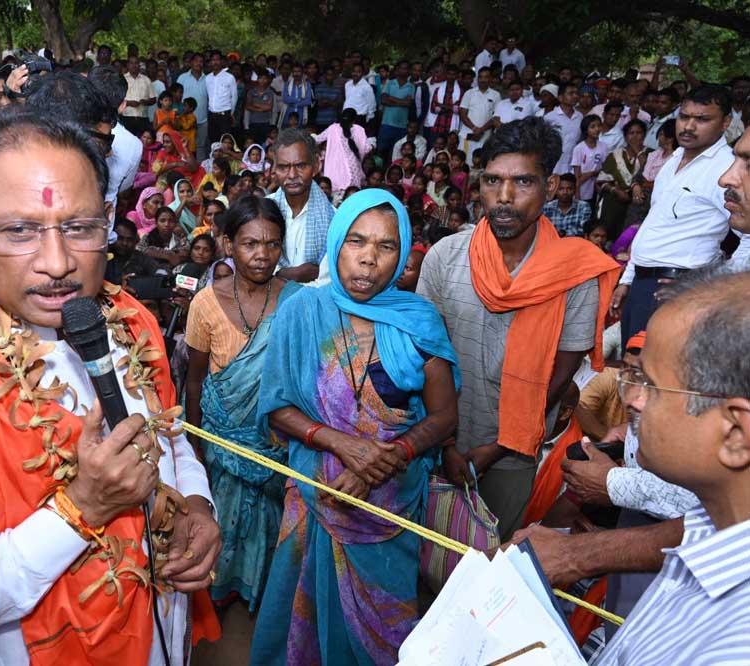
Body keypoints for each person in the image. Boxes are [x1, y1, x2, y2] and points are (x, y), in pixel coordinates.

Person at [0, 110, 221, 665]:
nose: (57, 264)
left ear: (108, 221)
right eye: (19, 231)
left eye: (79, 228)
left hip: (158, 631)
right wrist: (81, 510)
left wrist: (198, 505)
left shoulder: (130, 322)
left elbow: (169, 439)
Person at [251, 189, 460, 665]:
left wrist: (390, 458)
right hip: (315, 497)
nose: (368, 259)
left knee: (384, 634)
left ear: (402, 254)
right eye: (356, 241)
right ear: (336, 244)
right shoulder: (302, 312)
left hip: (389, 508)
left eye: (386, 246)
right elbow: (278, 407)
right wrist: (345, 445)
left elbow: (444, 416)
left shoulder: (419, 322)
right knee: (302, 619)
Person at [417, 117, 620, 539]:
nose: (505, 197)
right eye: (493, 181)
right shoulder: (445, 257)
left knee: (487, 560)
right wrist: (446, 442)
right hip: (434, 442)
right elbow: (426, 357)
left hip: (511, 454)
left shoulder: (575, 273)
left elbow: (559, 377)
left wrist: (495, 450)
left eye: (523, 182)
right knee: (425, 554)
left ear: (549, 186)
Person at [585, 269, 750, 665]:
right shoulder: (707, 535)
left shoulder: (733, 650)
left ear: (735, 433)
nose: (633, 400)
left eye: (651, 384)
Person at [184, 196, 300, 612]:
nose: (262, 255)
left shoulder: (298, 302)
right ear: (228, 245)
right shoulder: (205, 303)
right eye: (250, 244)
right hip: (222, 442)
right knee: (220, 526)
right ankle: (217, 594)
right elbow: (195, 379)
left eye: (272, 243)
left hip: (275, 443)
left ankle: (259, 595)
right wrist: (194, 446)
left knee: (268, 527)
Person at [612, 86, 734, 340]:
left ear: (725, 122)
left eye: (702, 119)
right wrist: (628, 279)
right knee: (633, 362)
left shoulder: (727, 169)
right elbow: (654, 222)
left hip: (681, 289)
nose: (688, 126)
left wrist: (711, 281)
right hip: (642, 283)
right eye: (684, 117)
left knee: (662, 366)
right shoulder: (674, 159)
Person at [268, 128, 335, 283]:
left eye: (300, 165)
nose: (292, 175)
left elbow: (327, 280)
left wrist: (281, 277)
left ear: (316, 166)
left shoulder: (334, 219)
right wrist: (291, 275)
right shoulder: (263, 211)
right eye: (283, 167)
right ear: (274, 169)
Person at [80, 65, 144, 218]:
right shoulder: (134, 145)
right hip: (103, 223)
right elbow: (124, 187)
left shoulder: (65, 129)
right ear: (122, 105)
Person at [597, 118, 649, 242]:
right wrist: (615, 190)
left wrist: (638, 151)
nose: (635, 136)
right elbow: (601, 182)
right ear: (625, 136)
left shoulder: (652, 154)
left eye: (638, 133)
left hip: (640, 199)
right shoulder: (615, 155)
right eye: (631, 133)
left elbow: (648, 172)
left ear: (644, 135)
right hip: (617, 199)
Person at [314, 108, 370, 196]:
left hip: (336, 171)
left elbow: (317, 140)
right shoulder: (359, 130)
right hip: (354, 171)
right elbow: (366, 149)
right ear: (354, 120)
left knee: (335, 196)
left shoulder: (333, 128)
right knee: (353, 196)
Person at [459, 67, 501, 166]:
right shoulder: (469, 93)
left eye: (486, 77)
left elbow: (496, 117)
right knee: (464, 163)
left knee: (481, 164)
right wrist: (474, 128)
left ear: (490, 79)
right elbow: (463, 114)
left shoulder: (496, 95)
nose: (483, 80)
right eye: (480, 77)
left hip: (485, 136)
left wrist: (481, 130)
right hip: (468, 134)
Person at [104, 218, 159, 286]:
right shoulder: (103, 257)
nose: (125, 243)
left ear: (135, 240)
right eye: (120, 238)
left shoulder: (141, 258)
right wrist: (119, 284)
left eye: (129, 239)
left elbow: (159, 270)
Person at [379, 61, 415, 161]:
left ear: (409, 71)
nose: (403, 70)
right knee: (382, 151)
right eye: (401, 68)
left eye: (406, 68)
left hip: (401, 126)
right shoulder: (390, 83)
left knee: (396, 154)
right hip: (387, 123)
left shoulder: (411, 86)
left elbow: (408, 104)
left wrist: (391, 98)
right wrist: (401, 102)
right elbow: (383, 100)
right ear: (397, 70)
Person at [177, 53, 210, 160]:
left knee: (200, 146)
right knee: (184, 145)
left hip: (202, 120)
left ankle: (200, 168)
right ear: (191, 62)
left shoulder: (208, 79)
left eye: (201, 61)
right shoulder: (182, 78)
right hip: (185, 121)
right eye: (196, 61)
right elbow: (177, 97)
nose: (198, 63)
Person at [571, 114, 611, 204]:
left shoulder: (603, 146)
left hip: (597, 188)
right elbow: (577, 176)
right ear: (586, 130)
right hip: (582, 190)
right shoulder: (579, 148)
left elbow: (605, 168)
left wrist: (593, 173)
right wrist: (577, 193)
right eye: (592, 127)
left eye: (598, 126)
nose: (597, 129)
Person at [545, 82, 583, 175]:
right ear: (560, 98)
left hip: (572, 166)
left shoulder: (580, 117)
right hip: (553, 165)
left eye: (576, 93)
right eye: (571, 93)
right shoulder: (550, 117)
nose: (575, 96)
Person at [542, 173, 592, 237]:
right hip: (552, 242)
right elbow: (543, 229)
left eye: (569, 189)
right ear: (555, 190)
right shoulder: (547, 208)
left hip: (575, 242)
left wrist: (560, 234)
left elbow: (583, 229)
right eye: (561, 189)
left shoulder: (583, 207)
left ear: (574, 190)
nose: (565, 192)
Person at [205, 50, 238, 145]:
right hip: (212, 114)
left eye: (217, 60)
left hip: (225, 115)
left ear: (221, 61)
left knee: (225, 142)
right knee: (214, 142)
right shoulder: (207, 78)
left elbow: (234, 97)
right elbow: (208, 95)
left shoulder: (229, 77)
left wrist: (230, 113)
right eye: (213, 60)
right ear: (210, 62)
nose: (215, 62)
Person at [426, 64, 462, 146]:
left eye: (453, 74)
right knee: (434, 148)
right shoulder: (438, 90)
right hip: (438, 125)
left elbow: (458, 110)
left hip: (451, 128)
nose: (451, 76)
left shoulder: (461, 92)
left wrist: (441, 106)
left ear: (456, 76)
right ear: (446, 74)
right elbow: (433, 109)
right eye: (449, 74)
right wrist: (451, 108)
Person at [121, 55, 156, 135]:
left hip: (143, 119)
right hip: (127, 118)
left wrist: (145, 102)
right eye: (131, 63)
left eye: (136, 63)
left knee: (143, 141)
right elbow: (116, 100)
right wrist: (128, 103)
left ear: (139, 65)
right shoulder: (122, 79)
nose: (134, 65)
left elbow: (154, 99)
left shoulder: (146, 80)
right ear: (128, 65)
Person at [245, 70, 276, 145]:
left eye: (265, 78)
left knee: (264, 143)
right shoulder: (251, 91)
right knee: (253, 143)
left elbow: (269, 107)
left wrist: (255, 104)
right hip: (253, 122)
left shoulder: (270, 92)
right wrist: (261, 109)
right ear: (257, 79)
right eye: (260, 78)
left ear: (268, 80)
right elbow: (248, 106)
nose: (262, 80)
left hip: (265, 122)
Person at [280, 62, 313, 128]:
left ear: (302, 72)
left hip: (301, 117)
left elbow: (308, 101)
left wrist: (293, 103)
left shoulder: (307, 85)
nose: (296, 74)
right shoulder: (287, 84)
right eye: (294, 71)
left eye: (298, 71)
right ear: (292, 73)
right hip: (288, 117)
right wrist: (299, 99)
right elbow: (285, 99)